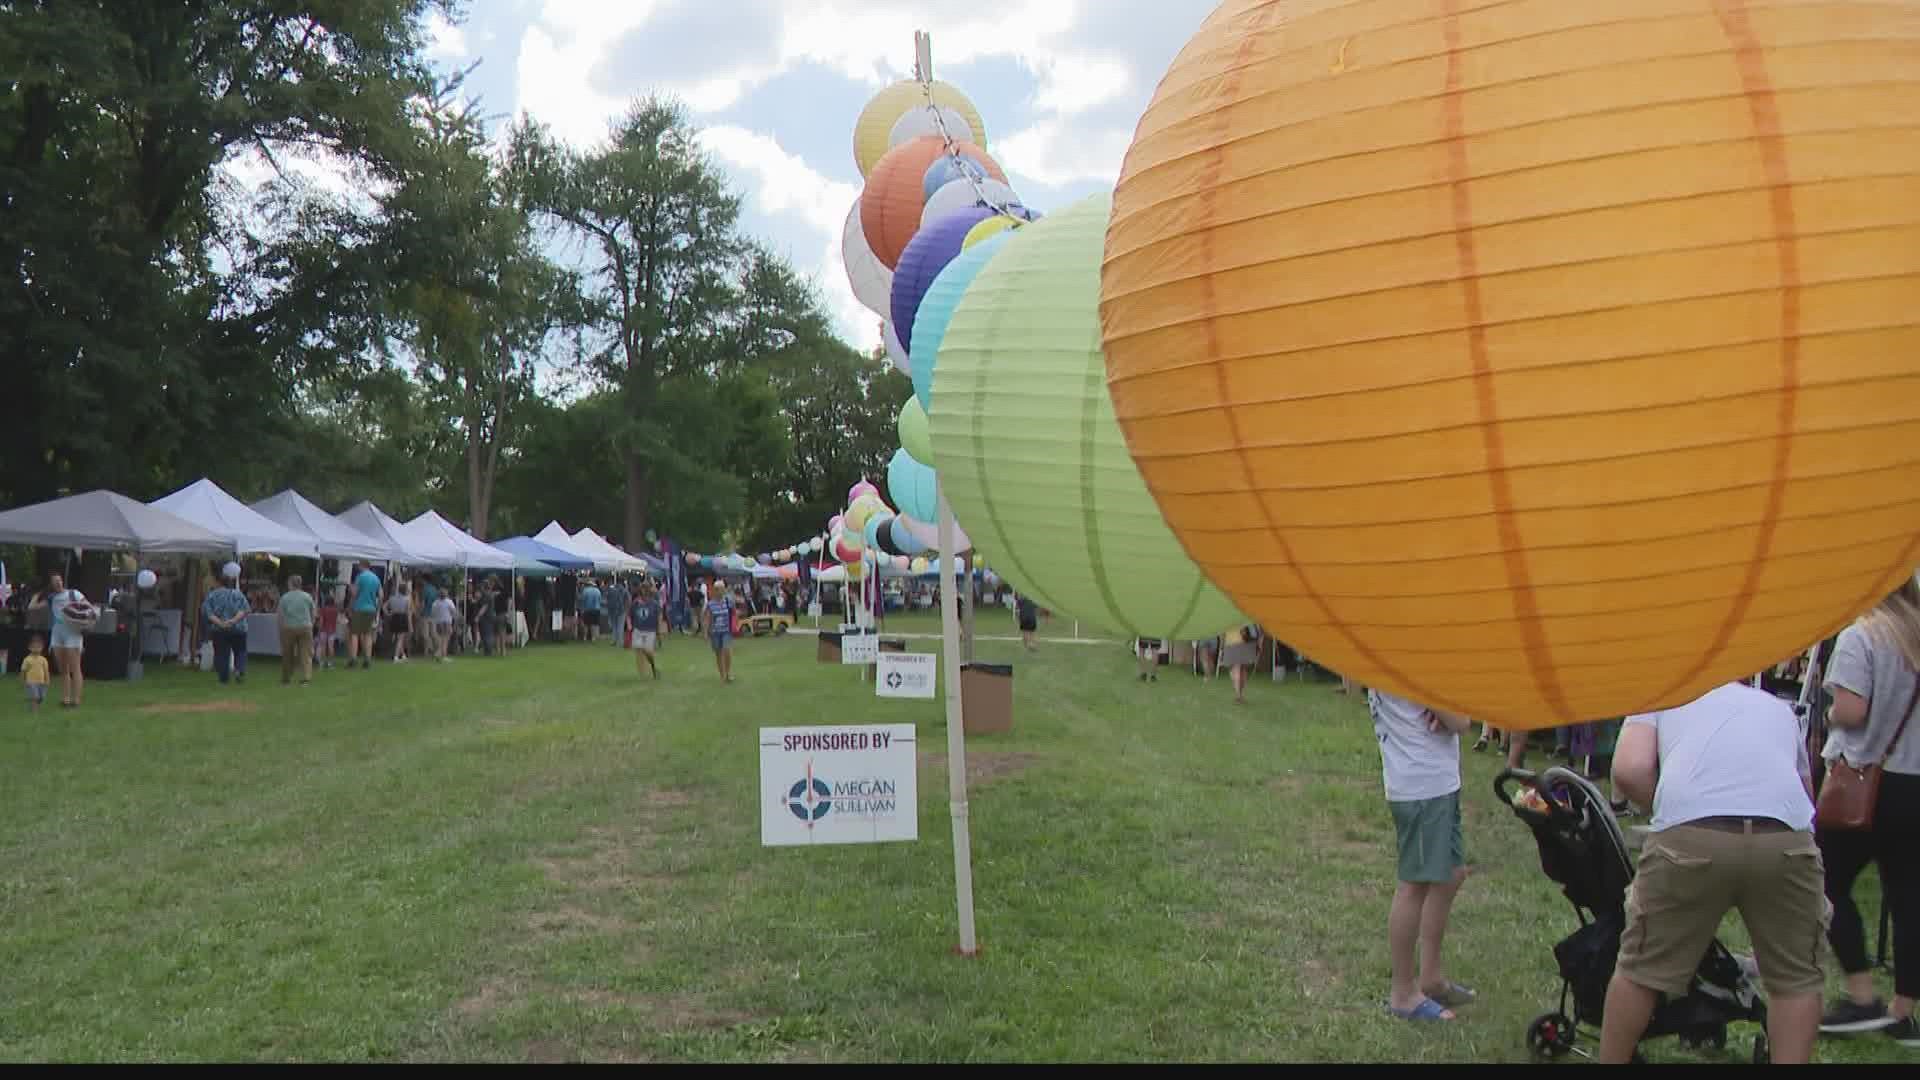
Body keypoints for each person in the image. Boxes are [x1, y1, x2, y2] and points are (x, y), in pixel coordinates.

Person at [1596, 680, 1826, 1064]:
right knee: (1795, 981)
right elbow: (1806, 794)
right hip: (1784, 837)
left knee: (1641, 970)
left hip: (1691, 835)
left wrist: (1672, 810)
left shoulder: (1660, 694)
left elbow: (1629, 770)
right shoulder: (1776, 707)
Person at [1816, 574, 1920, 1043]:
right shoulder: (1915, 636)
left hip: (1864, 779)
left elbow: (1852, 711)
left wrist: (1829, 712)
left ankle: (1861, 997)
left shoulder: (1861, 636)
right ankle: (1903, 1013)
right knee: (1909, 898)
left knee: (1824, 881)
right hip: (1914, 782)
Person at [1369, 687, 1476, 1023]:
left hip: (1436, 780)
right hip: (1421, 785)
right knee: (1414, 885)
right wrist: (1452, 709)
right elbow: (1461, 721)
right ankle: (1403, 993)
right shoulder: (1413, 664)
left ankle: (1431, 977)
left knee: (1452, 874)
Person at [31, 573, 92, 708]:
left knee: (75, 667)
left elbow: (89, 608)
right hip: (57, 633)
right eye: (54, 581)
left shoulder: (74, 594)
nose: (58, 583)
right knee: (63, 669)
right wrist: (40, 592)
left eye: (59, 580)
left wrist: (82, 619)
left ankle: (76, 700)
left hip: (73, 632)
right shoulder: (51, 598)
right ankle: (66, 699)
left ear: (62, 581)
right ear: (51, 584)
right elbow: (32, 606)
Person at [201, 564, 252, 686]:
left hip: (219, 630)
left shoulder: (212, 595)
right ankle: (239, 669)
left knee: (222, 654)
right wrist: (233, 621)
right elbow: (245, 610)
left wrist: (221, 623)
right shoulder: (237, 594)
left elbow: (208, 613)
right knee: (240, 651)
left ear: (218, 582)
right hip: (239, 628)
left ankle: (224, 680)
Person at [275, 575, 316, 686]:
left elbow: (280, 616)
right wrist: (311, 624)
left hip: (289, 627)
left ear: (290, 584)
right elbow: (313, 612)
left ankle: (286, 678)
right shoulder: (307, 596)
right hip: (305, 627)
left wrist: (281, 629)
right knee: (306, 654)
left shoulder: (285, 597)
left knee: (287, 654)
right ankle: (306, 678)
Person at [347, 562, 381, 669]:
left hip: (359, 608)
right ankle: (367, 659)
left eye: (359, 566)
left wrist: (350, 606)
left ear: (362, 566)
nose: (358, 567)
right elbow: (381, 595)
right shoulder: (376, 578)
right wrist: (377, 608)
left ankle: (353, 659)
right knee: (368, 634)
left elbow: (354, 594)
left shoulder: (360, 577)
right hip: (371, 609)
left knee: (354, 634)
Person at [703, 582, 736, 684]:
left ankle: (728, 673)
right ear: (714, 591)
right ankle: (722, 675)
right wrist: (705, 632)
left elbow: (734, 613)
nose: (720, 591)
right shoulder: (710, 604)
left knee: (726, 650)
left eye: (722, 589)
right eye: (717, 589)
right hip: (715, 632)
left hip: (726, 631)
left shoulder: (728, 601)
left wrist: (734, 625)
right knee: (718, 653)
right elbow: (707, 618)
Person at [1222, 623, 1260, 705]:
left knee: (1236, 669)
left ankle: (1238, 695)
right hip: (1248, 641)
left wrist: (1222, 644)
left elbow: (1223, 631)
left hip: (1232, 642)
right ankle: (1240, 694)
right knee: (1242, 669)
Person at [629, 581, 661, 679]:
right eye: (643, 589)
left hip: (650, 630)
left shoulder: (654, 603)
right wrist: (630, 625)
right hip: (638, 629)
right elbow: (630, 614)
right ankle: (642, 672)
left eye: (646, 589)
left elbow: (658, 616)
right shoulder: (636, 603)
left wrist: (658, 629)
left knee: (648, 650)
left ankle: (653, 666)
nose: (644, 591)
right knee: (639, 650)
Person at [385, 581, 413, 663]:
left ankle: (403, 655)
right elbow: (408, 612)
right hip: (402, 617)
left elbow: (384, 606)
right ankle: (396, 656)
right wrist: (410, 624)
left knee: (398, 637)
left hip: (394, 617)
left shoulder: (392, 598)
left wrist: (388, 613)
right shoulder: (407, 599)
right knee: (400, 638)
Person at [21, 634, 49, 714]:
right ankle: (34, 711)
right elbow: (23, 671)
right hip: (31, 682)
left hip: (41, 682)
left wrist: (47, 680)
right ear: (29, 648)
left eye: (38, 647)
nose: (36, 649)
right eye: (34, 647)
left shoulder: (43, 659)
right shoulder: (27, 659)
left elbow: (46, 671)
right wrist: (23, 681)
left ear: (42, 648)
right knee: (35, 697)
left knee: (41, 697)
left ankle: (34, 706)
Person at [431, 588, 458, 663]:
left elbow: (433, 613)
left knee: (441, 639)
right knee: (445, 640)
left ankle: (439, 653)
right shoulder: (449, 602)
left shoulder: (435, 603)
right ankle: (442, 655)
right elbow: (453, 612)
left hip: (438, 622)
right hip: (447, 622)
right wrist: (455, 619)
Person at [317, 586, 340, 670]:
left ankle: (322, 663)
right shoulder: (335, 610)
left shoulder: (323, 609)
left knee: (323, 646)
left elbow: (321, 621)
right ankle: (330, 663)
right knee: (331, 647)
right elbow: (337, 620)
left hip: (324, 630)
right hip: (332, 630)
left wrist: (319, 629)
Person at [580, 577, 604, 642]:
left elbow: (583, 600)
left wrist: (582, 609)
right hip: (596, 609)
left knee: (586, 624)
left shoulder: (585, 590)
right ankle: (593, 637)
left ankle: (585, 637)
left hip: (587, 609)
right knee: (593, 624)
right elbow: (600, 600)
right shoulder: (597, 591)